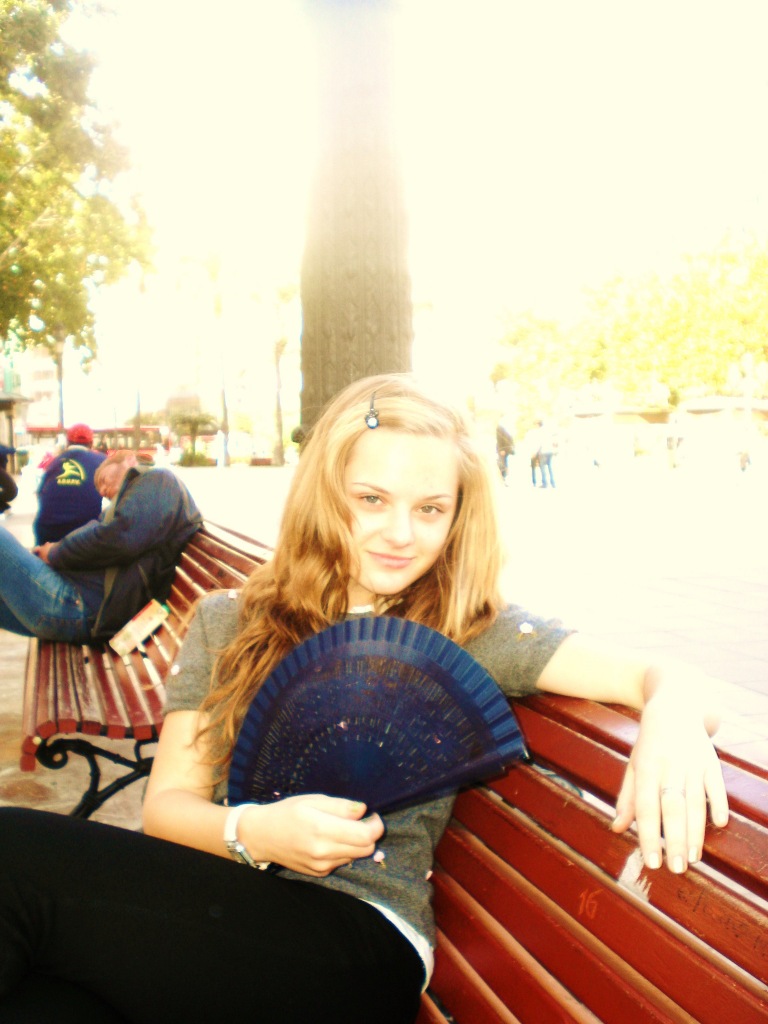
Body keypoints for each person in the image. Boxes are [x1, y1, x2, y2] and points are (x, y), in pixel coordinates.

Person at [0, 375, 729, 1024]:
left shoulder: (463, 628)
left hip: (357, 941)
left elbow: (662, 677)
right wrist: (255, 832)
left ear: (458, 516)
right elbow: (168, 808)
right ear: (326, 494)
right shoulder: (230, 620)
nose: (400, 534)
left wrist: (670, 714)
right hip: (226, 912)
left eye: (431, 509)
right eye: (372, 500)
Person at [0, 449, 201, 643]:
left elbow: (117, 539)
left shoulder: (158, 479)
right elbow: (107, 537)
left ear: (128, 459)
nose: (103, 492)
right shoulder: (141, 500)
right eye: (100, 491)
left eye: (103, 480)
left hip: (82, 607)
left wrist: (54, 552)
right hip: (82, 605)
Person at [33, 422, 107, 543]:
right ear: (91, 443)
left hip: (47, 531)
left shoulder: (54, 462)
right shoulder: (102, 461)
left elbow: (40, 493)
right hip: (84, 533)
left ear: (68, 442)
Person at [0, 447, 18, 517]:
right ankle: (6, 509)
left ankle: (5, 509)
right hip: (12, 491)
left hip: (10, 492)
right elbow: (12, 450)